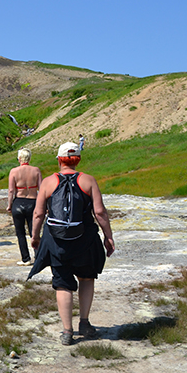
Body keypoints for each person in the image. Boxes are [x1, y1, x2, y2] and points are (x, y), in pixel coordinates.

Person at [28, 142, 115, 346]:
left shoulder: (48, 183)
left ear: (59, 160)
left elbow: (39, 213)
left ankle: (67, 331)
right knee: (86, 278)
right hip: (85, 240)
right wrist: (108, 236)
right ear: (78, 160)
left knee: (63, 284)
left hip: (57, 242)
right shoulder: (89, 181)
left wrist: (35, 236)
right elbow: (100, 212)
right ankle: (84, 323)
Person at [7, 148, 43, 266]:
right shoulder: (36, 170)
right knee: (35, 231)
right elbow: (41, 189)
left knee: (20, 232)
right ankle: (38, 257)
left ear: (19, 158)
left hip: (18, 202)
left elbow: (11, 190)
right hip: (33, 202)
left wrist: (9, 205)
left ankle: (25, 258)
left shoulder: (14, 171)